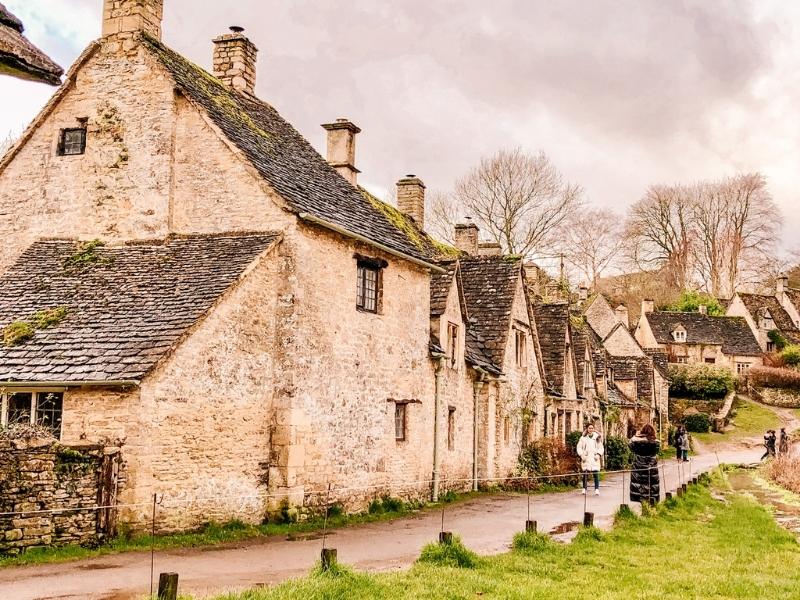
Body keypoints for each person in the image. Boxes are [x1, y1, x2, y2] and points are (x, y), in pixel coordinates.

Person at [629, 424, 660, 504]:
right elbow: (657, 451)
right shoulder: (655, 442)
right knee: (651, 488)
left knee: (640, 488)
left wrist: (636, 435)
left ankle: (643, 506)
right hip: (651, 467)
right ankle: (650, 508)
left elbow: (630, 444)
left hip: (638, 468)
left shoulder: (636, 442)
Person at [577, 424, 604, 496]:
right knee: (585, 474)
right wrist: (582, 455)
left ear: (593, 429)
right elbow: (579, 447)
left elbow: (601, 447)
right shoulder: (583, 438)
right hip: (586, 458)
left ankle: (597, 489)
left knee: (596, 474)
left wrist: (598, 454)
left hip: (594, 458)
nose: (591, 429)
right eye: (589, 428)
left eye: (592, 428)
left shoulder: (597, 438)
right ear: (587, 429)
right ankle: (584, 488)